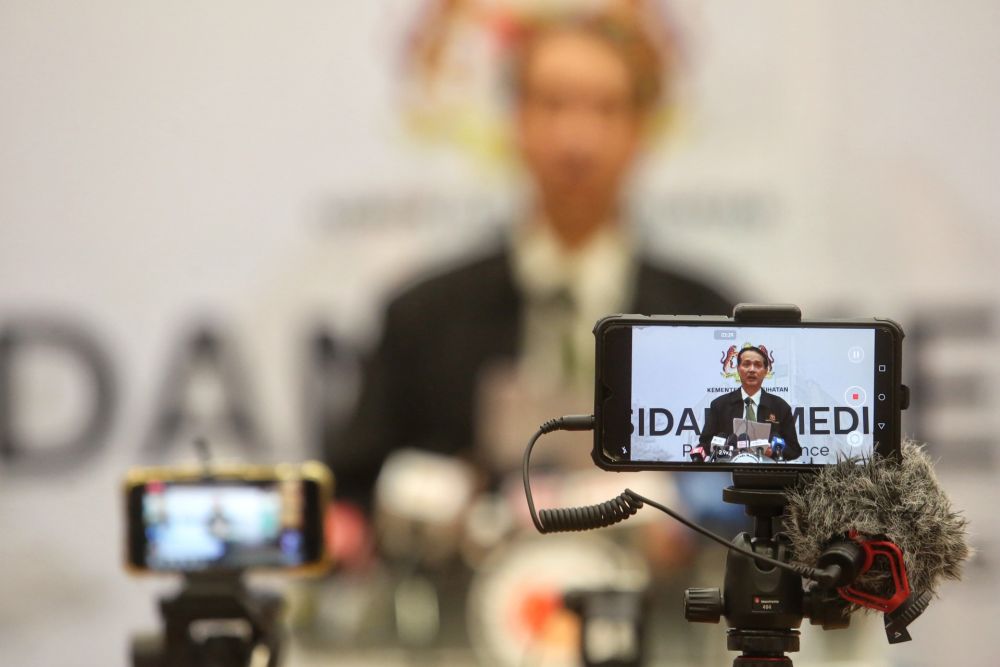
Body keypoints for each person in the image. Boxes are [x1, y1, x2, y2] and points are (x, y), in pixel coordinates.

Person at [326, 11, 733, 512]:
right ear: (514, 121)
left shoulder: (710, 322)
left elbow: (755, 500)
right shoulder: (423, 318)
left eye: (606, 109)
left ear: (642, 130)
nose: (576, 139)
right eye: (552, 104)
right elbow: (352, 493)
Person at [699, 346, 801, 460]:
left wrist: (773, 451)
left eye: (758, 365)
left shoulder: (780, 407)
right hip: (728, 472)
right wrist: (724, 449)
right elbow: (704, 444)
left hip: (767, 473)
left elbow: (794, 450)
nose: (752, 369)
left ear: (766, 371)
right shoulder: (720, 405)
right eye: (746, 364)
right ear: (738, 369)